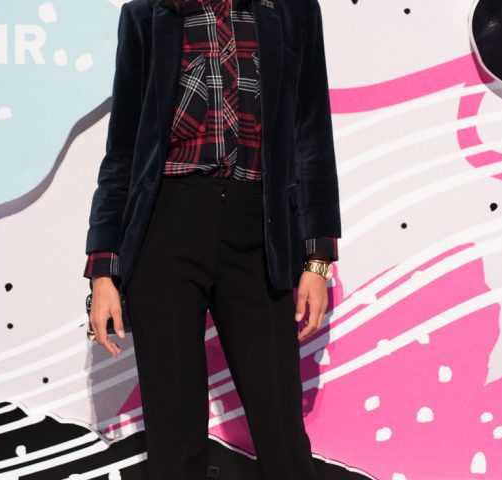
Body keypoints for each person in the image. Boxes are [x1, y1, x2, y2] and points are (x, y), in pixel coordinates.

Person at [84, 0, 341, 478]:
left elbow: (311, 136)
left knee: (282, 433)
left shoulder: (293, 11)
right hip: (165, 235)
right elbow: (122, 152)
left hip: (257, 235)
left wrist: (318, 258)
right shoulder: (147, 15)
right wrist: (103, 270)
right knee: (175, 438)